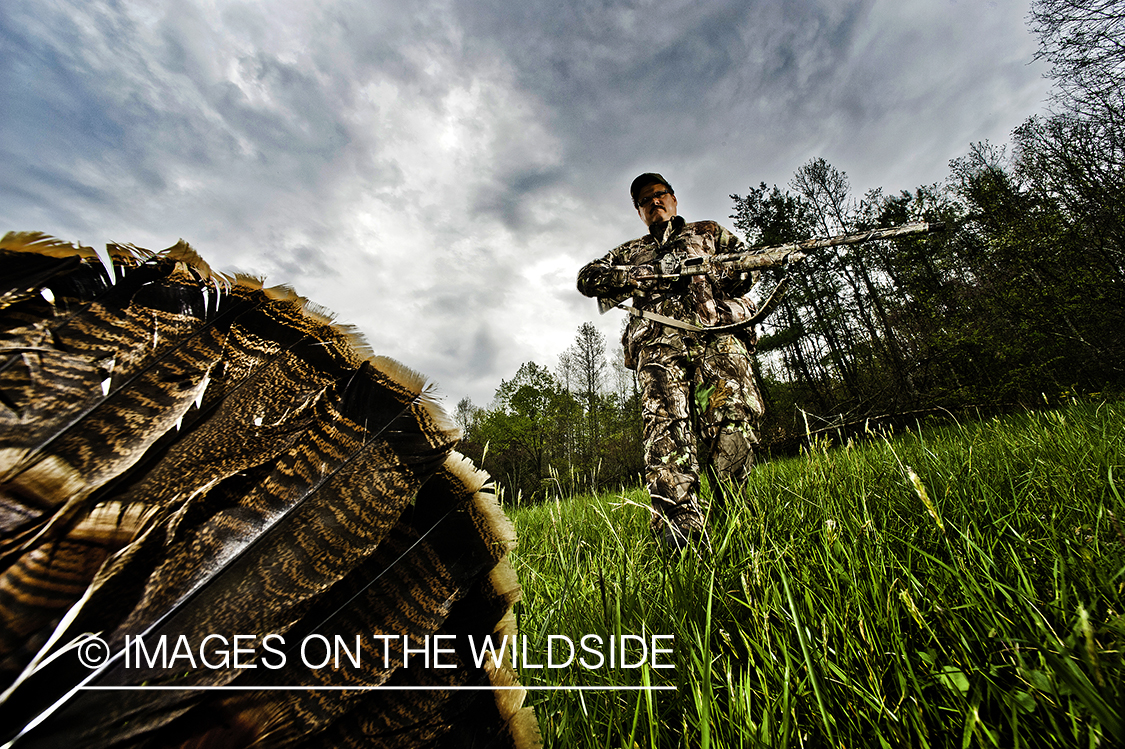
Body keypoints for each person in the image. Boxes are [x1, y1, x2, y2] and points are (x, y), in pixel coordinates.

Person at [577, 173, 765, 550]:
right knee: (665, 436)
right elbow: (587, 279)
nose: (653, 203)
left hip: (717, 341)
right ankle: (680, 534)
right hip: (658, 350)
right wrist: (637, 275)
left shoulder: (708, 232)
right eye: (644, 201)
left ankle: (740, 524)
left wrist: (721, 269)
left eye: (659, 195)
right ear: (639, 211)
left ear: (674, 198)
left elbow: (750, 270)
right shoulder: (630, 251)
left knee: (730, 423)